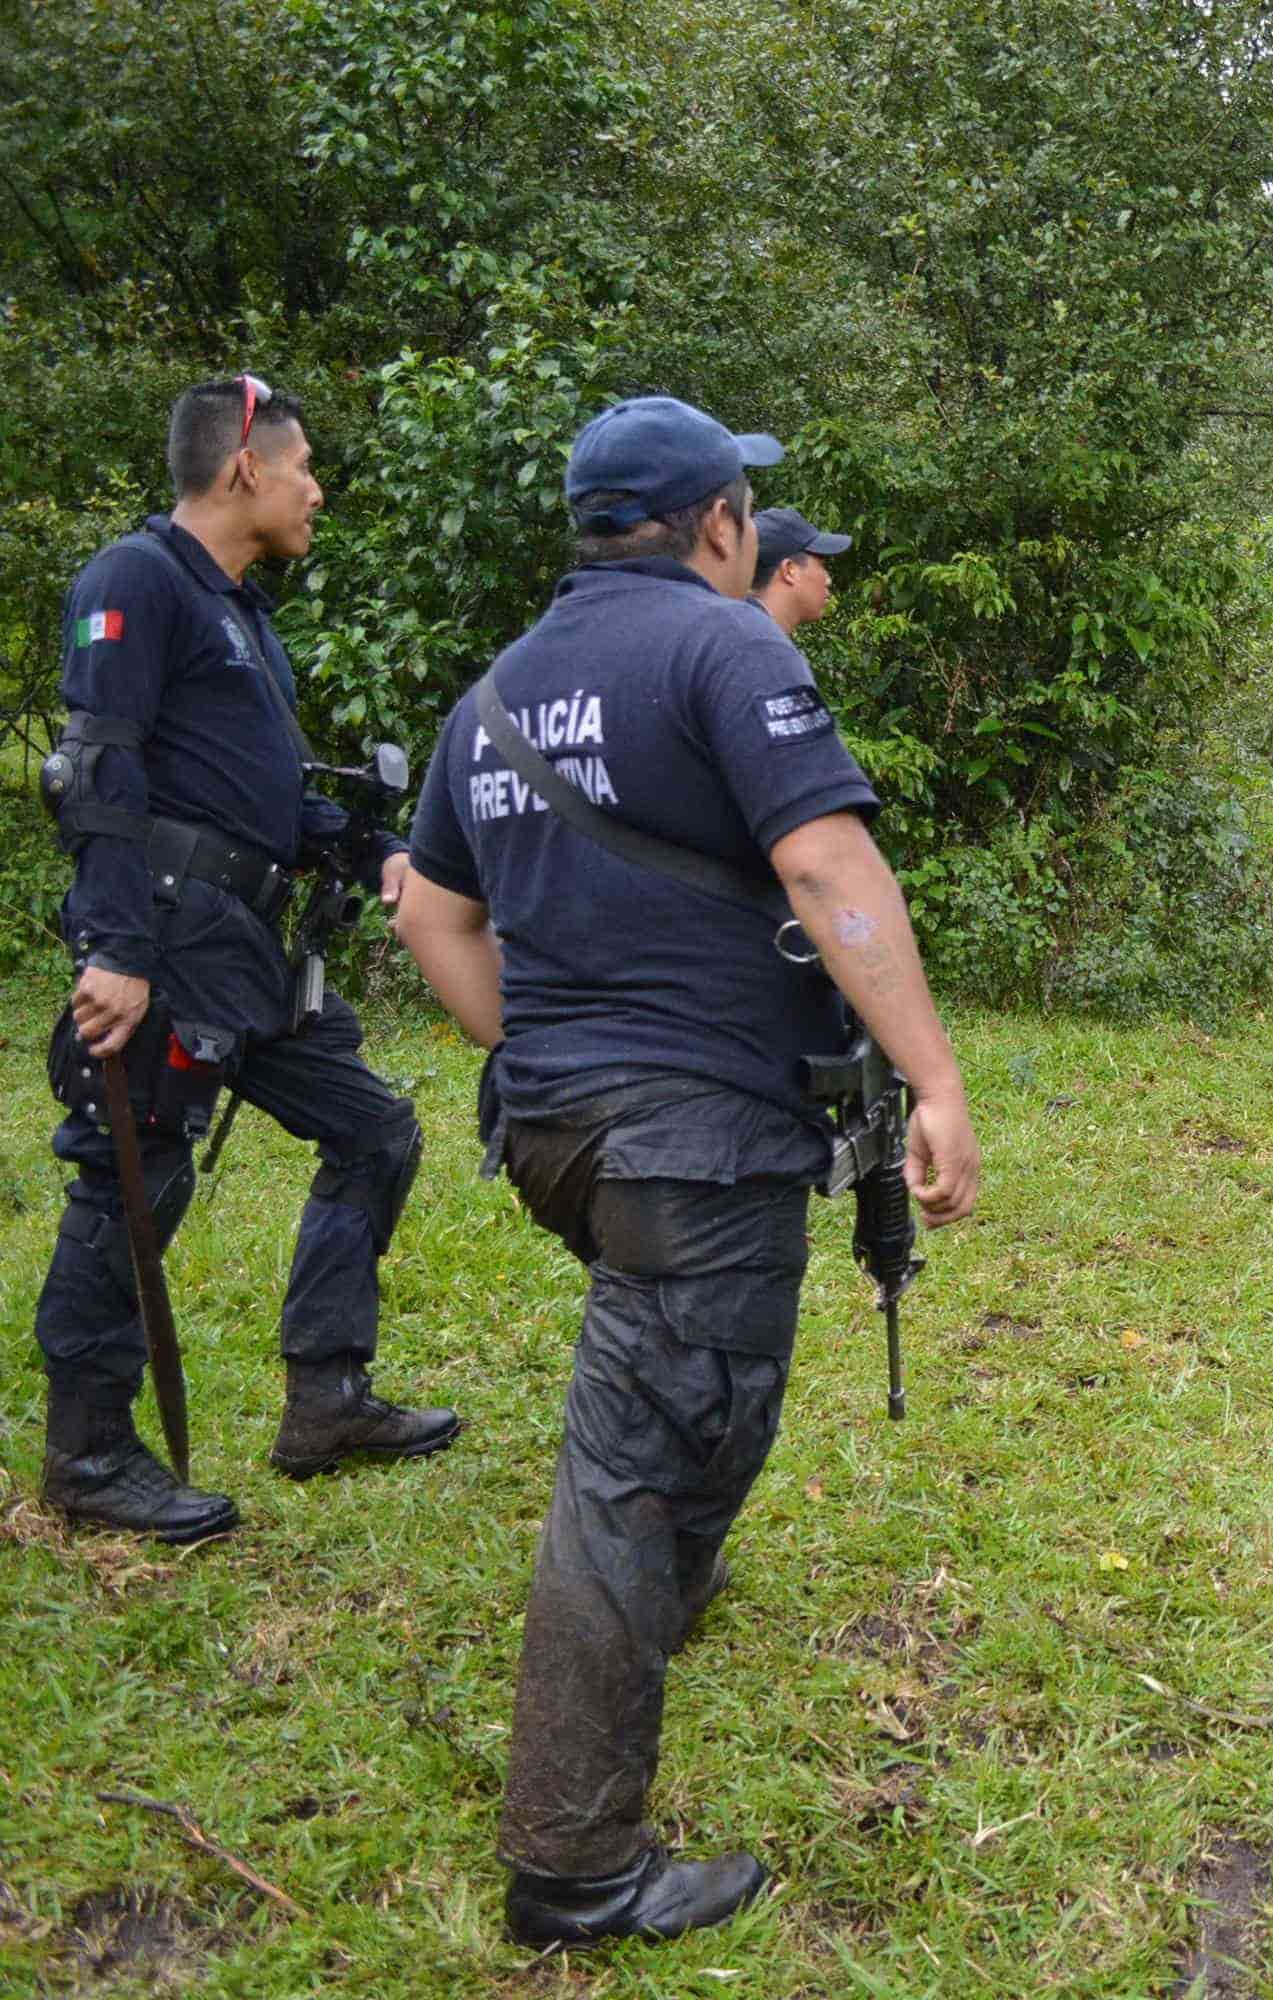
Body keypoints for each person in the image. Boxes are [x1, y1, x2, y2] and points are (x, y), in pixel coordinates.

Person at [390, 395, 984, 1945]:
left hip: (557, 1137)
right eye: (746, 511)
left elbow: (429, 917)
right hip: (688, 1143)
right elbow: (824, 862)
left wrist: (545, 1048)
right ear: (719, 523)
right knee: (637, 1469)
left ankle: (661, 1601)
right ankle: (573, 1865)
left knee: (706, 1394)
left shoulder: (497, 695)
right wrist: (934, 1076)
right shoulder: (728, 649)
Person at [30, 375, 453, 1545]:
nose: (317, 488)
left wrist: (373, 848)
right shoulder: (138, 579)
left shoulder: (241, 611)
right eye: (305, 464)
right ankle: (90, 1453)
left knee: (373, 1128)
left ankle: (326, 1398)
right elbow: (97, 772)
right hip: (163, 940)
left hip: (245, 945)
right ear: (243, 470)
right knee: (132, 1177)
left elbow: (256, 796)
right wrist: (114, 949)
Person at [749, 507, 852, 635]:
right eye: (821, 565)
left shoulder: (738, 633)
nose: (828, 580)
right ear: (790, 570)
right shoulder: (763, 647)